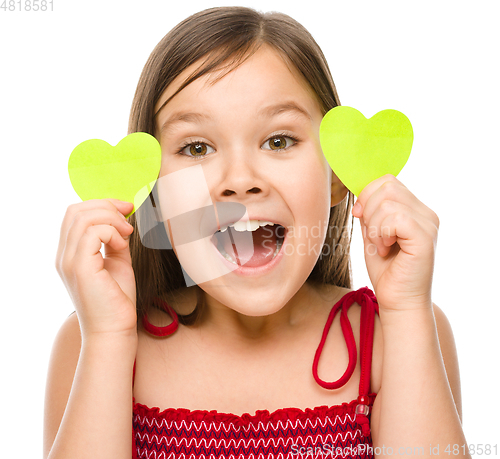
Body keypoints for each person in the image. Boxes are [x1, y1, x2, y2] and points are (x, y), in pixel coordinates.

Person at [44, 6, 469, 459]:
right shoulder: (96, 340)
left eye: (279, 141)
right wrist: (108, 338)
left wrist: (405, 311)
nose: (240, 178)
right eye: (197, 147)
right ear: (154, 193)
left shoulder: (397, 333)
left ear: (335, 174)